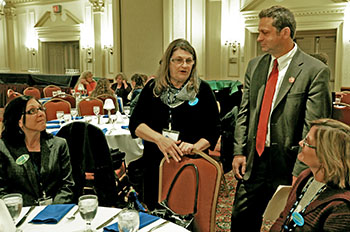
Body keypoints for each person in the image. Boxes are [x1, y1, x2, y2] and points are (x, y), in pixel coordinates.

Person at [231, 5, 332, 231]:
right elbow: (244, 111)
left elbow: (313, 127)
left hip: (288, 164)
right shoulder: (255, 66)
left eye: (265, 33)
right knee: (241, 219)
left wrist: (301, 172)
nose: (259, 39)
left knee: (284, 224)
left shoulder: (314, 70)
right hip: (254, 160)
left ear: (285, 33)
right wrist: (239, 150)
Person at [129, 38, 220, 210]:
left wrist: (195, 147)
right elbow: (135, 124)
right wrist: (159, 139)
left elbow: (213, 131)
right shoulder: (152, 90)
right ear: (167, 63)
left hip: (190, 164)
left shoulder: (203, 90)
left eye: (188, 61)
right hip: (155, 164)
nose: (184, 66)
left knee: (187, 213)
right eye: (178, 60)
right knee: (155, 214)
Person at [270, 118, 350, 231]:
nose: (300, 143)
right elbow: (284, 217)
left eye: (307, 142)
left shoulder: (342, 207)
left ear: (325, 155)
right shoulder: (306, 176)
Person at [0, 95, 75, 206]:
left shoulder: (58, 145)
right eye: (32, 111)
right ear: (19, 120)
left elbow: (67, 185)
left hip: (55, 212)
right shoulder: (4, 149)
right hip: (20, 213)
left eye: (41, 109)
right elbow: (2, 191)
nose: (41, 114)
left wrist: (53, 209)